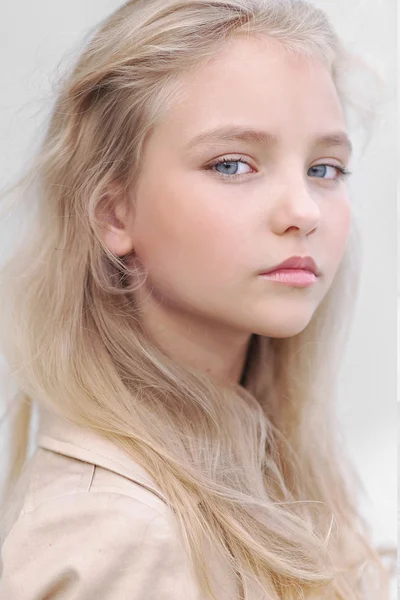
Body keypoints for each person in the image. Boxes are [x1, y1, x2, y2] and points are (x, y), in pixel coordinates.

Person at [0, 0, 394, 598]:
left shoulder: (266, 475)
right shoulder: (124, 533)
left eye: (325, 168)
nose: (303, 211)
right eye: (232, 163)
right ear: (114, 212)